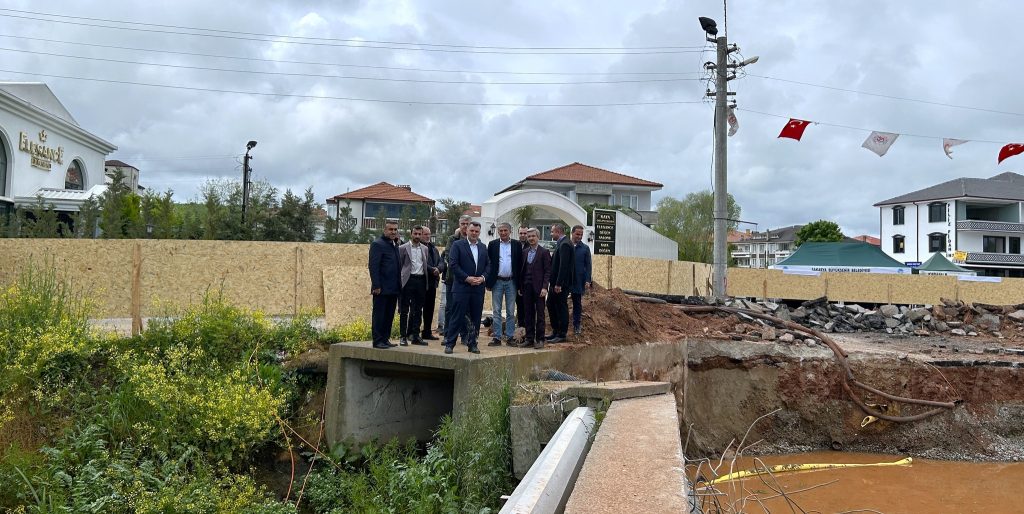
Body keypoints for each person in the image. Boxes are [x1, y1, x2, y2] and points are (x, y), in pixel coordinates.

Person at [444, 221, 489, 354]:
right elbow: (453, 264)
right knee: (457, 316)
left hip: (478, 288)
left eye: (476, 231)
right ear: (467, 231)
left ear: (479, 232)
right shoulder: (458, 245)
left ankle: (472, 344)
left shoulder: (483, 247)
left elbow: (489, 265)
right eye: (472, 231)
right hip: (462, 287)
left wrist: (483, 278)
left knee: (476, 317)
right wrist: (467, 278)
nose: (474, 233)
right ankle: (450, 344)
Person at [486, 222, 523, 346]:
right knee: (496, 310)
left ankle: (510, 337)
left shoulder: (517, 245)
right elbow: (489, 264)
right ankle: (497, 337)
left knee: (510, 311)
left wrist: (520, 284)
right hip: (497, 281)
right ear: (498, 232)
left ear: (510, 231)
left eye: (505, 230)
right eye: (500, 231)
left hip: (511, 282)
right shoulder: (493, 244)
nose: (503, 233)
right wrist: (489, 282)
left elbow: (519, 264)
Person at [368, 220, 401, 349]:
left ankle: (385, 339)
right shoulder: (377, 244)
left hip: (393, 288)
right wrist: (376, 285)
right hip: (381, 288)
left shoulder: (394, 245)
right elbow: (373, 266)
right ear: (385, 230)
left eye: (395, 229)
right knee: (379, 315)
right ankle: (377, 341)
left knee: (389, 315)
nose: (393, 232)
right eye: (390, 229)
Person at [398, 225, 432, 346]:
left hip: (421, 280)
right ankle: (403, 336)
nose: (417, 236)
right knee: (404, 310)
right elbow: (400, 265)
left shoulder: (425, 249)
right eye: (415, 234)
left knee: (418, 310)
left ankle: (416, 336)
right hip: (408, 280)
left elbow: (425, 264)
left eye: (419, 234)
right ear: (411, 234)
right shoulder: (403, 248)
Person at [518, 228, 551, 349]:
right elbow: (522, 270)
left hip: (539, 289)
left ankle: (540, 339)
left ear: (538, 237)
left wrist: (545, 287)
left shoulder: (544, 252)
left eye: (533, 236)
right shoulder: (525, 252)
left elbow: (548, 271)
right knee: (528, 313)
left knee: (540, 314)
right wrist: (520, 287)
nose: (531, 238)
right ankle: (529, 339)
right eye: (529, 236)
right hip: (526, 287)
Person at [441, 215, 472, 342]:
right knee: (450, 308)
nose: (465, 226)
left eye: (467, 224)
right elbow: (449, 257)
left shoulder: (474, 240)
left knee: (466, 309)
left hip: (468, 281)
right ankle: (447, 335)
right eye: (463, 223)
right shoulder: (452, 239)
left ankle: (465, 336)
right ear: (459, 225)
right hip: (452, 279)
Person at [546, 223, 575, 343]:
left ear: (558, 232)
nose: (551, 234)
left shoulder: (565, 245)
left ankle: (562, 334)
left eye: (552, 232)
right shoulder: (561, 243)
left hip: (560, 285)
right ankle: (556, 331)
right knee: (551, 304)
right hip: (555, 283)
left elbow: (564, 266)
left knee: (561, 307)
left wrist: (559, 284)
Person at [570, 225, 593, 336]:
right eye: (577, 234)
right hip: (565, 280)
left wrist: (588, 280)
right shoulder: (566, 246)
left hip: (578, 280)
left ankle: (577, 325)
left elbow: (588, 265)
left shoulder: (585, 248)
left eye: (581, 235)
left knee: (577, 303)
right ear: (572, 233)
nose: (579, 236)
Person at [420, 226, 442, 340]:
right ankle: (412, 332)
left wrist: (438, 269)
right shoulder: (418, 248)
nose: (428, 236)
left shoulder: (433, 249)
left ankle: (427, 332)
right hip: (421, 282)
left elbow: (441, 262)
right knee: (417, 309)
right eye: (425, 234)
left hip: (432, 283)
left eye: (429, 234)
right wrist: (432, 270)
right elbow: (421, 262)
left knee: (429, 309)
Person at [516, 226, 529, 328]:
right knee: (519, 305)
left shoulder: (532, 246)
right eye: (521, 233)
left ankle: (528, 328)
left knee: (528, 306)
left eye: (525, 233)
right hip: (516, 282)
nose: (523, 235)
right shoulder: (515, 245)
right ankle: (520, 327)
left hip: (528, 282)